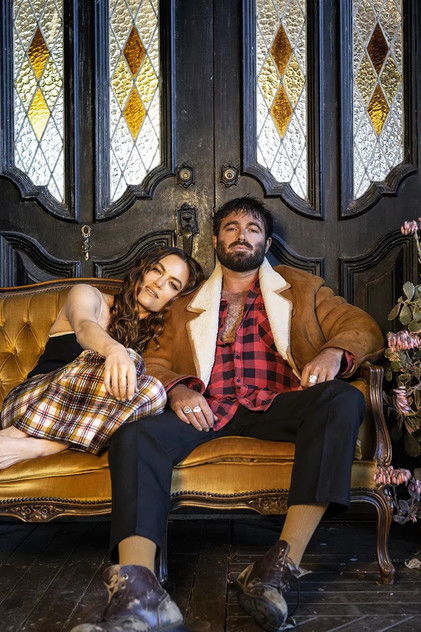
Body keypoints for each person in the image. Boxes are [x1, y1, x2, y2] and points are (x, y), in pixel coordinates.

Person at [71, 197, 384, 632]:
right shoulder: (185, 302)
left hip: (278, 403)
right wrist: (178, 389)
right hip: (209, 409)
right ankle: (139, 589)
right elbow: (155, 362)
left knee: (342, 399)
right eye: (231, 228)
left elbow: (363, 327)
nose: (242, 235)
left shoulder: (303, 287)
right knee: (136, 436)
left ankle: (277, 569)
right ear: (216, 241)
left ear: (267, 243)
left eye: (253, 229)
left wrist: (334, 352)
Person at [0, 246, 203, 470]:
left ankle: (42, 446)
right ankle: (18, 433)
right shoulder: (88, 294)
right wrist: (115, 351)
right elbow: (84, 326)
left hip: (74, 422)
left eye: (173, 284)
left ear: (176, 299)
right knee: (129, 361)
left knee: (154, 392)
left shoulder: (157, 343)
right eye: (156, 270)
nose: (159, 283)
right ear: (142, 270)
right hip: (30, 404)